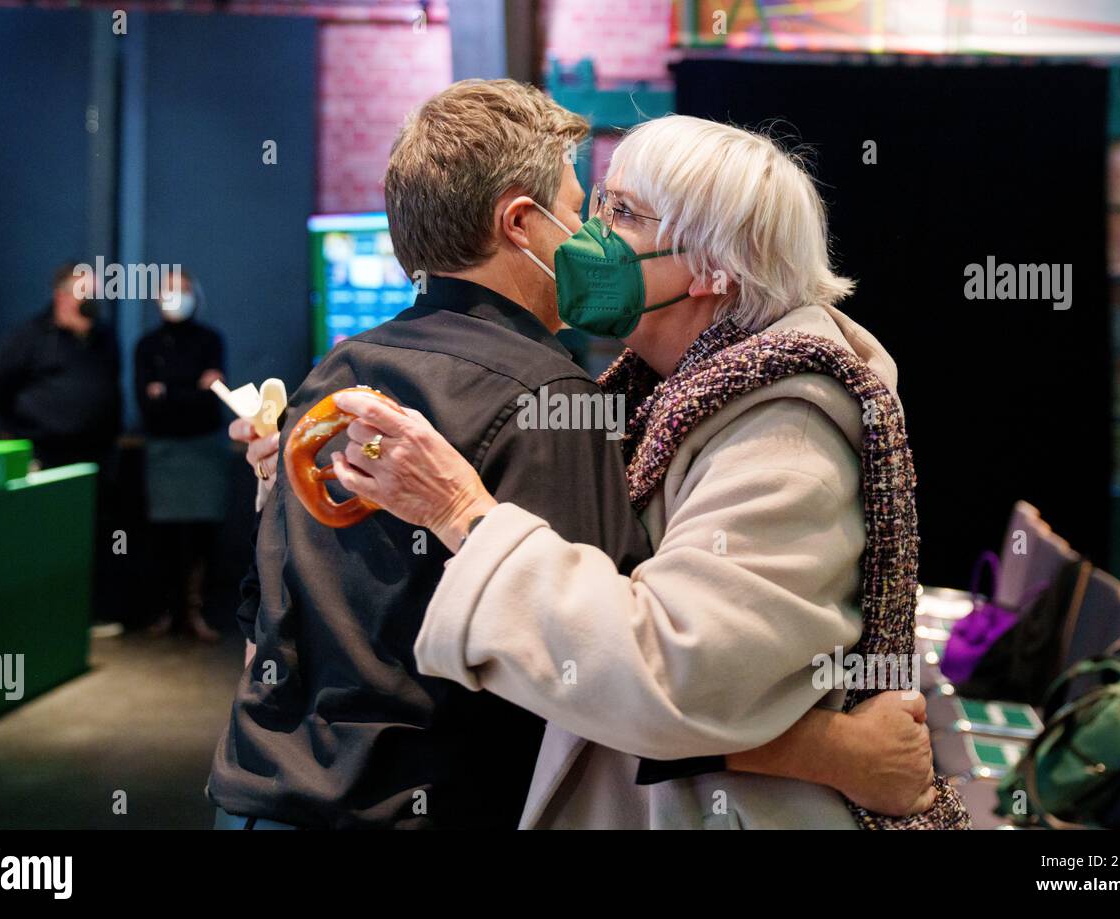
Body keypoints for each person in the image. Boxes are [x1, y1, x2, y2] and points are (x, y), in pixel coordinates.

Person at [211, 82, 935, 830]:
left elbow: (665, 676)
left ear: (715, 265)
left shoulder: (783, 419)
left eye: (620, 213)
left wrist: (458, 513)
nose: (592, 237)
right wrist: (836, 749)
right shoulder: (591, 396)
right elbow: (581, 689)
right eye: (591, 208)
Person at [135, 269, 229, 642]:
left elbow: (213, 403)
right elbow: (147, 405)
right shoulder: (147, 345)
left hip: (204, 449)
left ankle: (197, 611)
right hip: (163, 451)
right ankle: (165, 611)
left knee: (203, 535)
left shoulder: (210, 340)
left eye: (184, 291)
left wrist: (168, 392)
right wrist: (192, 390)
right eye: (169, 291)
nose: (177, 298)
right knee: (163, 537)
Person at [0, 262, 120, 470]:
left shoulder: (105, 336)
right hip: (44, 455)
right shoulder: (30, 336)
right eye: (84, 293)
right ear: (61, 296)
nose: (91, 302)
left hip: (96, 455)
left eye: (94, 294)